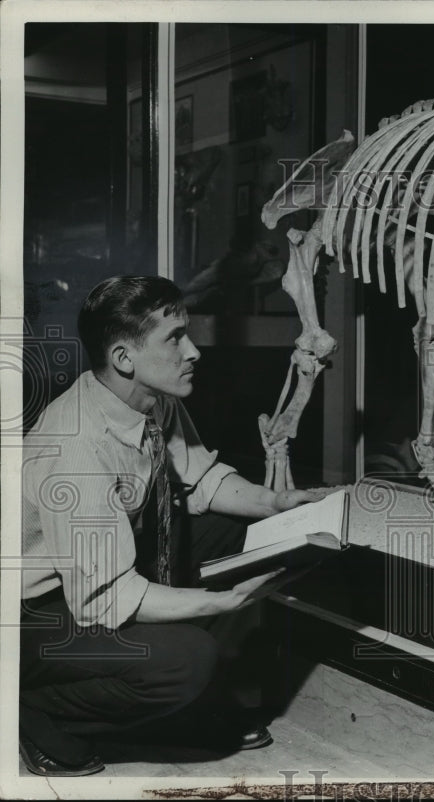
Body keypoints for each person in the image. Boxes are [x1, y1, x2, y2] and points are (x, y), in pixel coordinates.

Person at [19, 276, 334, 777]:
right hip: (34, 613)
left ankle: (171, 700)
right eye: (174, 338)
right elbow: (105, 597)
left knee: (239, 534)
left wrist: (276, 501)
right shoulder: (76, 448)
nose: (193, 351)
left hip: (96, 575)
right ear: (124, 358)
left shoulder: (151, 400)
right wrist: (222, 603)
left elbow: (201, 479)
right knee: (185, 662)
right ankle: (37, 711)